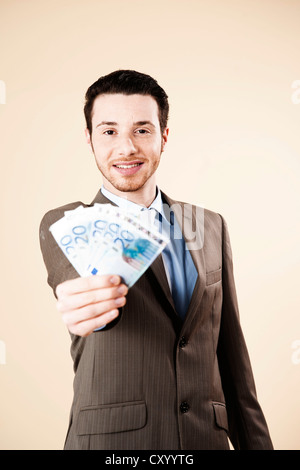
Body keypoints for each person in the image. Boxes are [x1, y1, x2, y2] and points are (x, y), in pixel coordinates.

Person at [39, 69, 273, 450]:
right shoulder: (67, 223)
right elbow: (77, 282)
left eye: (142, 130)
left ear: (164, 137)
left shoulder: (209, 225)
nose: (126, 147)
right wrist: (83, 302)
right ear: (90, 139)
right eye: (109, 131)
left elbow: (233, 362)